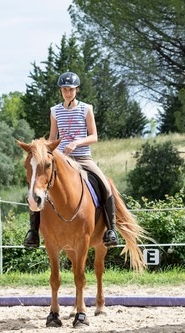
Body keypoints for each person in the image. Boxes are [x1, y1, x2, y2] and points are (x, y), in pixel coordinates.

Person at [23, 71, 118, 249]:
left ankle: (111, 230)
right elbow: (53, 137)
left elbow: (94, 136)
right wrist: (45, 149)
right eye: (65, 89)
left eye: (71, 89)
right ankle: (33, 232)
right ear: (61, 90)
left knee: (105, 185)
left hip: (82, 157)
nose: (68, 93)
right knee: (36, 187)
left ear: (77, 90)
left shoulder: (86, 108)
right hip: (61, 159)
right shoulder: (55, 111)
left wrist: (76, 143)